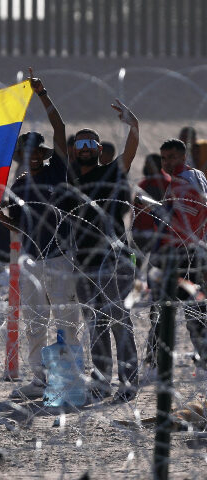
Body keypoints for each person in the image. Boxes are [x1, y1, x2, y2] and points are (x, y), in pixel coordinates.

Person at [0, 69, 81, 399]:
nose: (31, 157)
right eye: (25, 153)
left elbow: (59, 129)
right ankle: (39, 380)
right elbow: (17, 225)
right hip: (32, 260)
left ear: (42, 154)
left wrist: (42, 95)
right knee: (34, 324)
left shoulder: (58, 170)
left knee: (67, 321)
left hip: (59, 256)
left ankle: (69, 379)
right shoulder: (18, 185)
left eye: (35, 151)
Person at [63, 99, 140, 402]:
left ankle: (129, 382)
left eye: (90, 143)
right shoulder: (68, 179)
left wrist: (134, 126)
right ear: (74, 149)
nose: (85, 147)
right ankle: (102, 381)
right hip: (84, 260)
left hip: (114, 259)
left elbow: (129, 154)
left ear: (98, 149)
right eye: (80, 143)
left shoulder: (109, 173)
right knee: (95, 324)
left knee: (119, 320)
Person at [145, 139, 207, 379]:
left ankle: (154, 365)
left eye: (171, 157)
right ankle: (201, 362)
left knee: (162, 312)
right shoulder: (196, 176)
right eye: (163, 158)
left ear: (183, 157)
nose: (167, 162)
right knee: (194, 311)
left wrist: (156, 210)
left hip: (179, 255)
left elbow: (185, 218)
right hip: (192, 253)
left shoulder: (185, 181)